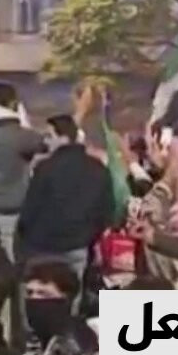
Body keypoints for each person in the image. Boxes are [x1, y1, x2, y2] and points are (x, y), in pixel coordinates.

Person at [17, 114, 113, 287]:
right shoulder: (98, 168)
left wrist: (24, 233)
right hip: (78, 244)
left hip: (42, 244)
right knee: (71, 291)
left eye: (49, 136)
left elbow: (30, 208)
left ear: (62, 137)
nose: (46, 142)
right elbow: (106, 209)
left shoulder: (45, 167)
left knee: (39, 292)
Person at [0, 83, 44, 262]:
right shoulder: (20, 136)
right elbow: (50, 145)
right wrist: (22, 118)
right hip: (9, 209)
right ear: (13, 103)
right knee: (8, 257)